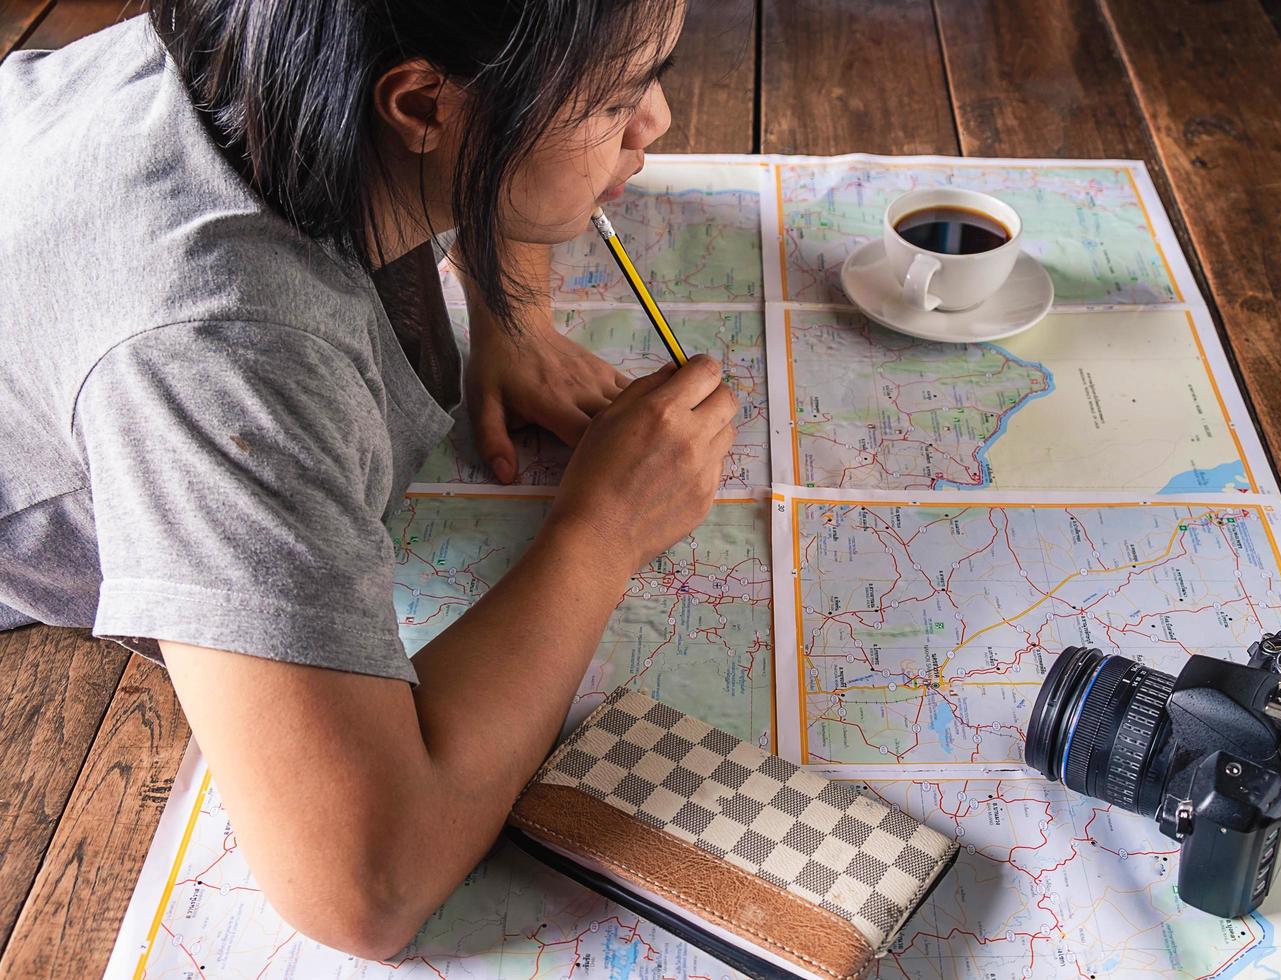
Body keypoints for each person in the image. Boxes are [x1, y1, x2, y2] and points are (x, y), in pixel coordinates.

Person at [0, 0, 735, 958]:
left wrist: (513, 315)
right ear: (422, 105)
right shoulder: (222, 353)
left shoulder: (286, 52)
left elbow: (482, 101)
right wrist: (604, 529)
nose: (658, 125)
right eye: (616, 98)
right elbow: (362, 883)